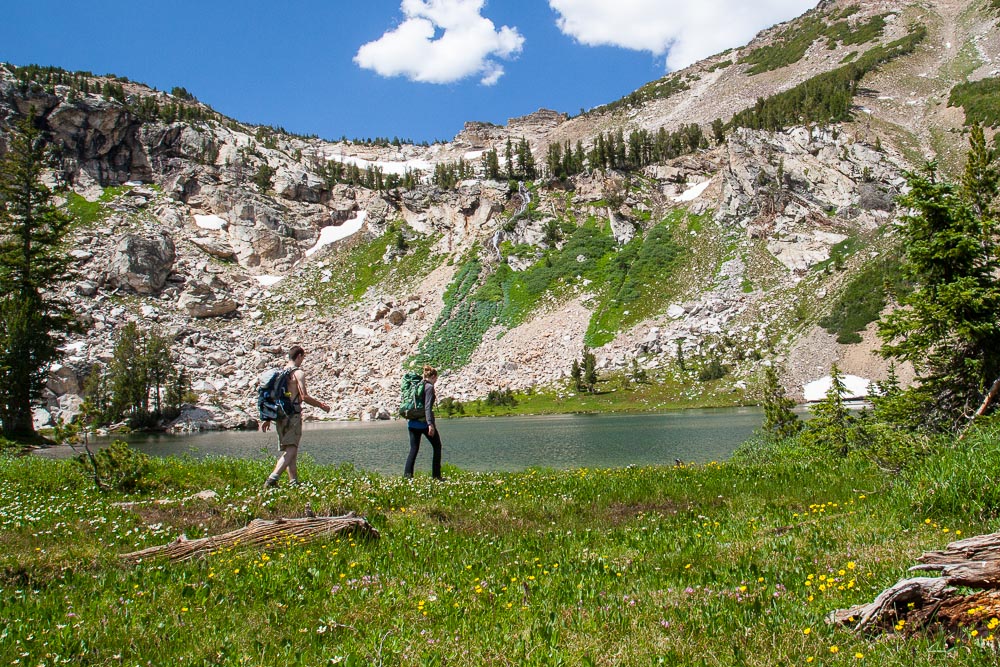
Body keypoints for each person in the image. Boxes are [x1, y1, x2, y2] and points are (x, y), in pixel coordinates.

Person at [261, 345, 330, 488]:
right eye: (303, 357)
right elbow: (304, 396)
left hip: (278, 414)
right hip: (292, 414)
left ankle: (294, 482)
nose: (303, 360)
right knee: (292, 448)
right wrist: (321, 406)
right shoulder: (298, 373)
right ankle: (272, 479)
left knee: (290, 449)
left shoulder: (280, 373)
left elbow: (271, 395)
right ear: (299, 356)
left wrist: (266, 418)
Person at [404, 365, 442, 479]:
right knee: (437, 446)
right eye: (436, 379)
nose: (436, 381)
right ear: (433, 376)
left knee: (413, 449)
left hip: (412, 423)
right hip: (424, 424)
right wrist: (430, 424)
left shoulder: (418, 385)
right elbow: (427, 407)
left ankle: (407, 477)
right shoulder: (429, 387)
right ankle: (436, 476)